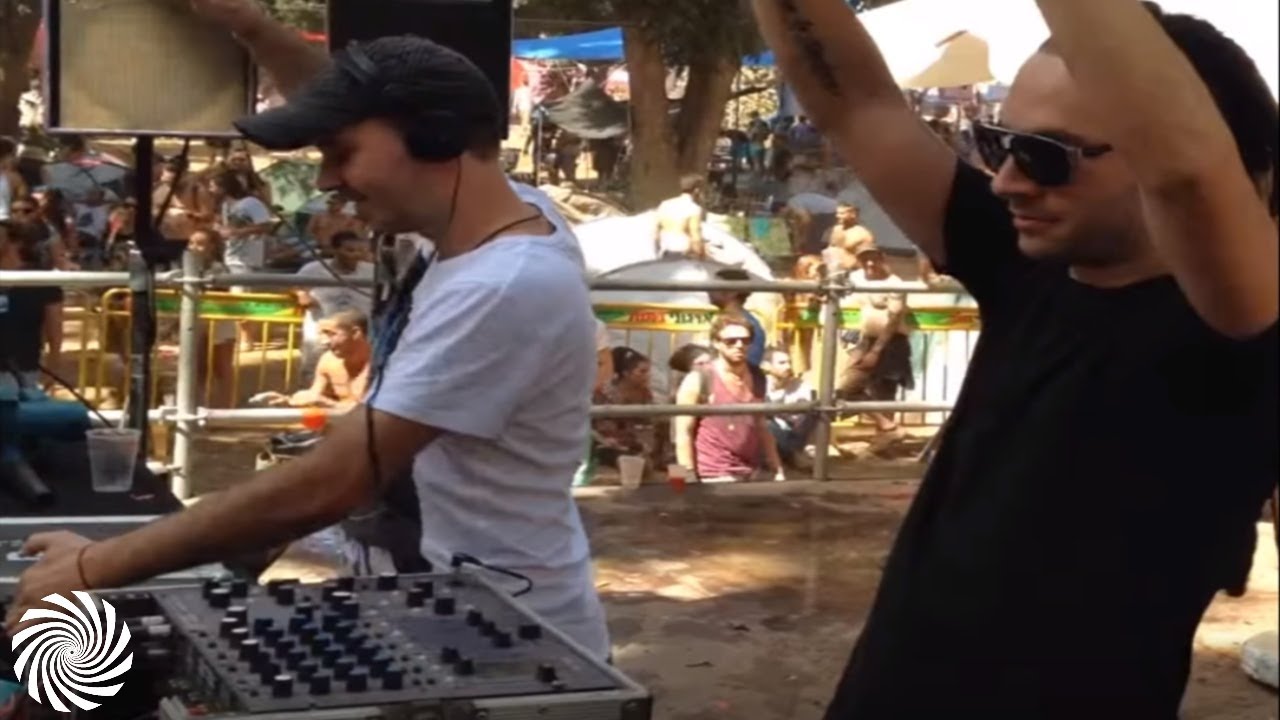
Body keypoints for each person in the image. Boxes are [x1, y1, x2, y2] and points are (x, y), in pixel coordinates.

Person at [8, 6, 611, 662]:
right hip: (445, 611)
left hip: (513, 644)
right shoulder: (494, 215)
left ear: (436, 138)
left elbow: (337, 479)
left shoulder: (503, 285)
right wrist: (249, 23)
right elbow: (367, 106)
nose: (326, 180)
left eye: (340, 155)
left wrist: (93, 567)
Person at [754, 0, 1277, 716]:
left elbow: (1187, 174)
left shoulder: (1243, 323)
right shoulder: (1026, 261)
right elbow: (855, 101)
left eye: (1047, 155)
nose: (1006, 180)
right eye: (998, 144)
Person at [674, 314, 784, 484]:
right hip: (713, 475)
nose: (739, 345)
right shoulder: (698, 378)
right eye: (731, 341)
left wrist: (778, 469)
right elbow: (682, 433)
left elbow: (761, 426)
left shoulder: (758, 376)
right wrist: (686, 479)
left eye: (745, 340)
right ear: (716, 343)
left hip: (753, 473)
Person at [295, 230, 375, 382]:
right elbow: (294, 286)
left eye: (360, 250)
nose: (356, 255)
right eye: (350, 250)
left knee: (360, 372)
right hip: (321, 331)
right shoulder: (313, 269)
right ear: (335, 250)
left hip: (359, 333)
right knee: (313, 370)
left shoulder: (372, 271)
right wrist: (301, 294)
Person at [263, 310, 371, 410]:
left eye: (331, 334)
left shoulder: (377, 366)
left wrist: (328, 403)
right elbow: (315, 396)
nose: (324, 342)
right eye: (321, 334)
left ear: (355, 333)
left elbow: (374, 412)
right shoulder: (328, 361)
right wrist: (288, 401)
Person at [0, 220, 63, 383]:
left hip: (22, 369)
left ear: (17, 242)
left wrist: (53, 367)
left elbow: (54, 329)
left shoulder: (41, 279)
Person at [709, 267, 767, 369]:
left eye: (715, 285)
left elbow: (749, 364)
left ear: (733, 292)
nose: (709, 290)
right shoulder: (723, 320)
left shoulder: (748, 325)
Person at [654, 174, 707, 259]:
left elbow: (656, 232)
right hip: (683, 254)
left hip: (665, 253)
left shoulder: (665, 204)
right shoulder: (693, 208)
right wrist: (701, 256)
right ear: (696, 190)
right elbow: (695, 237)